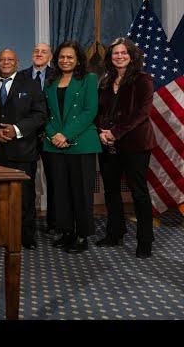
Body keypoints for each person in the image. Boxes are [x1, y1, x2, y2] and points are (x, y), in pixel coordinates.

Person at [95, 38, 156, 258]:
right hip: (107, 144)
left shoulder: (143, 79)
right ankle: (115, 233)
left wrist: (115, 133)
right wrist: (101, 132)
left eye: (123, 53)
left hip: (135, 144)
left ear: (132, 56)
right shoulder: (105, 80)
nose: (119, 56)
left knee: (138, 192)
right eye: (115, 53)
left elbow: (142, 113)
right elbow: (99, 110)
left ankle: (145, 241)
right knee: (111, 191)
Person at [43, 40, 101, 253]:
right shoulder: (50, 82)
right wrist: (54, 135)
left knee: (81, 191)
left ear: (78, 60)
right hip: (54, 144)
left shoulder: (88, 79)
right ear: (56, 60)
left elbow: (90, 111)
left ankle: (82, 235)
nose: (65, 60)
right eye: (62, 57)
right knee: (60, 191)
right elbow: (45, 113)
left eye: (70, 57)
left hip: (81, 143)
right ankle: (66, 231)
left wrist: (66, 134)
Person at [0, 49, 47, 249]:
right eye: (2, 59)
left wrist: (16, 130)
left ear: (17, 62)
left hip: (23, 150)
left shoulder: (30, 84)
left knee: (24, 197)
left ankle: (26, 236)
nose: (6, 62)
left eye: (10, 59)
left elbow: (40, 115)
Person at [21, 42, 56, 234]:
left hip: (52, 136)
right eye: (36, 51)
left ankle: (54, 222)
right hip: (27, 137)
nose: (39, 54)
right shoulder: (22, 76)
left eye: (44, 52)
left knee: (54, 180)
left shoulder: (57, 75)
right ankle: (28, 225)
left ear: (50, 56)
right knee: (29, 182)